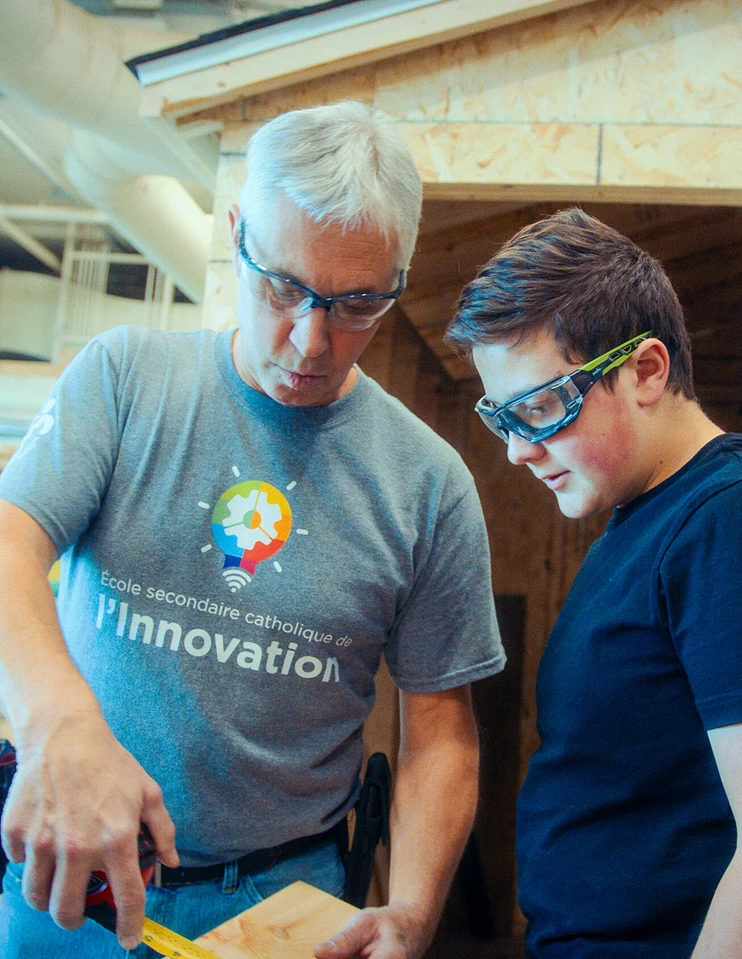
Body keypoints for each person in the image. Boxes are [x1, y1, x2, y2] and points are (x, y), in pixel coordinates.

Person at [0, 100, 504, 959]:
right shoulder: (125, 380)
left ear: (398, 278)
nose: (311, 339)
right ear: (236, 231)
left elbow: (441, 736)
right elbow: (11, 541)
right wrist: (58, 721)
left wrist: (412, 911)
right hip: (69, 882)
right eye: (284, 287)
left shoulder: (429, 485)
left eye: (356, 304)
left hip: (282, 904)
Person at [446, 208, 742, 959]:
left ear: (644, 369)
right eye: (501, 417)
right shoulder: (646, 522)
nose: (516, 451)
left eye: (539, 409)